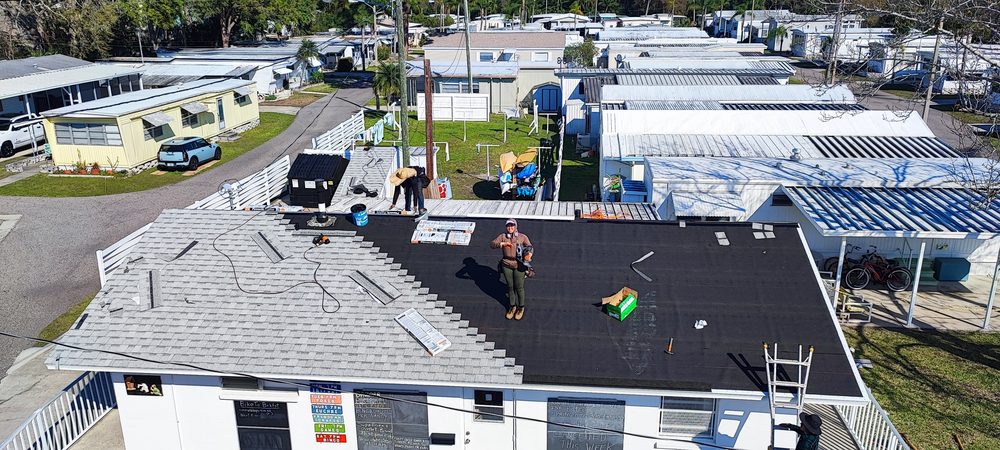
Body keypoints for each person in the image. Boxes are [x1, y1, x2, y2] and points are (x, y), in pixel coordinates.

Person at [490, 218, 533, 320]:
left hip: (519, 265)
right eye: (508, 226)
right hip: (506, 264)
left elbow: (530, 247)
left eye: (512, 225)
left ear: (515, 226)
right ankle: (512, 307)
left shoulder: (522, 237)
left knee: (519, 287)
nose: (510, 228)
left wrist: (528, 254)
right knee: (510, 286)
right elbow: (492, 244)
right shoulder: (503, 236)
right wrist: (502, 244)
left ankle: (521, 308)